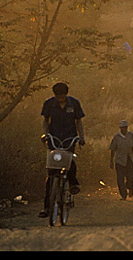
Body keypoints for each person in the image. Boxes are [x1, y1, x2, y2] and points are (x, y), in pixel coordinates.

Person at [39, 82, 86, 218]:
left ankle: (73, 183)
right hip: (54, 139)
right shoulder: (49, 104)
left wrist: (81, 137)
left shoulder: (74, 104)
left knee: (69, 160)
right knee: (51, 172)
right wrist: (45, 134)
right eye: (58, 97)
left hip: (69, 138)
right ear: (55, 95)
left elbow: (78, 122)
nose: (60, 99)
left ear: (66, 94)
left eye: (62, 97)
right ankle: (47, 208)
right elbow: (46, 121)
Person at [109, 120, 133, 200]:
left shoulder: (130, 135)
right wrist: (111, 160)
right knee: (120, 179)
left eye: (126, 127)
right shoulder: (116, 137)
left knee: (130, 177)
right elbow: (112, 149)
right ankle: (123, 195)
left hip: (129, 159)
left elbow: (132, 147)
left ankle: (130, 188)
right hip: (120, 160)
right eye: (123, 128)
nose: (124, 129)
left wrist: (131, 156)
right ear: (120, 128)